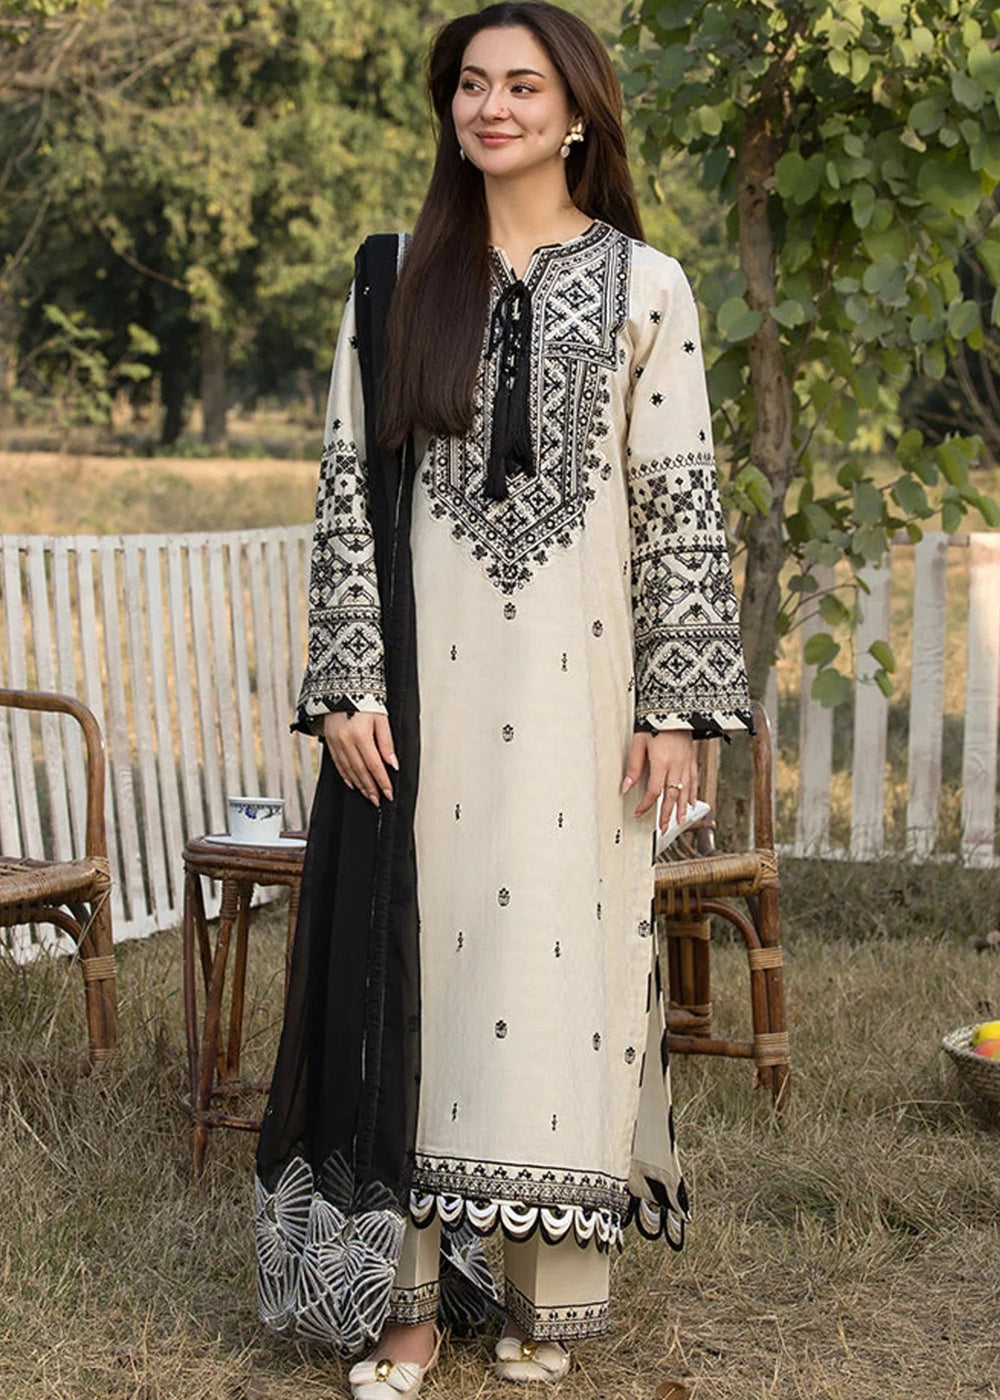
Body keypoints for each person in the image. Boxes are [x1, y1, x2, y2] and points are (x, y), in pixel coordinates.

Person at [254, 3, 753, 1396]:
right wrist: (346, 680)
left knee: (563, 979)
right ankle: (405, 1307)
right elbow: (344, 490)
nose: (493, 107)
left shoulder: (650, 287)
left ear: (578, 112)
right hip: (427, 701)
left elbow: (680, 505)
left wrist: (677, 708)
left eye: (523, 86)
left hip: (588, 703)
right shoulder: (397, 279)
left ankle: (550, 1298)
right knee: (423, 975)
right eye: (472, 85)